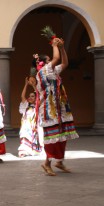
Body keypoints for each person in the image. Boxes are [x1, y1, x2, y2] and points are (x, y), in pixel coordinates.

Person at [29, 38, 79, 176]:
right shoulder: (44, 71)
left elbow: (65, 62)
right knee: (53, 137)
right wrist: (55, 44)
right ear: (43, 63)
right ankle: (47, 163)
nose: (51, 60)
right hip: (49, 110)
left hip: (59, 107)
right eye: (49, 59)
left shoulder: (51, 71)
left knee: (62, 135)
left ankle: (59, 161)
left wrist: (62, 48)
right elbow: (57, 58)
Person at [18, 77, 42, 157]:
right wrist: (26, 85)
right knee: (24, 135)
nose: (30, 97)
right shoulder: (26, 105)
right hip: (26, 125)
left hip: (34, 126)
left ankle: (32, 150)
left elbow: (39, 95)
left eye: (32, 96)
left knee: (34, 138)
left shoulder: (37, 106)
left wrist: (33, 86)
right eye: (29, 96)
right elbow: (22, 96)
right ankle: (23, 152)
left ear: (35, 98)